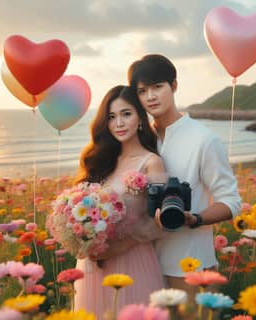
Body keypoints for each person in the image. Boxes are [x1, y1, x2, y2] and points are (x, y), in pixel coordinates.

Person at [127, 54, 242, 294]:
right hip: (141, 266)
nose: (151, 97)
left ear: (174, 85)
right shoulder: (137, 141)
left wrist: (195, 218)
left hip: (190, 266)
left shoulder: (204, 139)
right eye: (142, 91)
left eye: (158, 87)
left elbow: (231, 201)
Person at [74, 85, 166, 318]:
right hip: (94, 266)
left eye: (126, 114)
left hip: (131, 260)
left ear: (140, 118)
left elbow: (160, 219)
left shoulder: (151, 162)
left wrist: (118, 247)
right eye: (112, 117)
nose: (119, 123)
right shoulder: (102, 160)